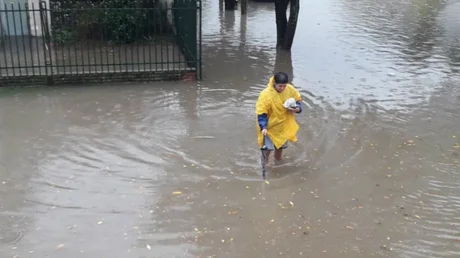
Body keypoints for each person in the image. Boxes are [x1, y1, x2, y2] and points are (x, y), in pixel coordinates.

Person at [255, 72, 302, 164]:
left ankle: (278, 161)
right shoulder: (265, 95)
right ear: (274, 83)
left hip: (283, 125)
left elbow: (298, 103)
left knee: (280, 146)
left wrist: (296, 109)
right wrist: (263, 127)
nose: (282, 88)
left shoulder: (290, 89)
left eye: (284, 86)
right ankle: (266, 164)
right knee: (267, 149)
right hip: (269, 126)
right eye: (280, 86)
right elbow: (261, 113)